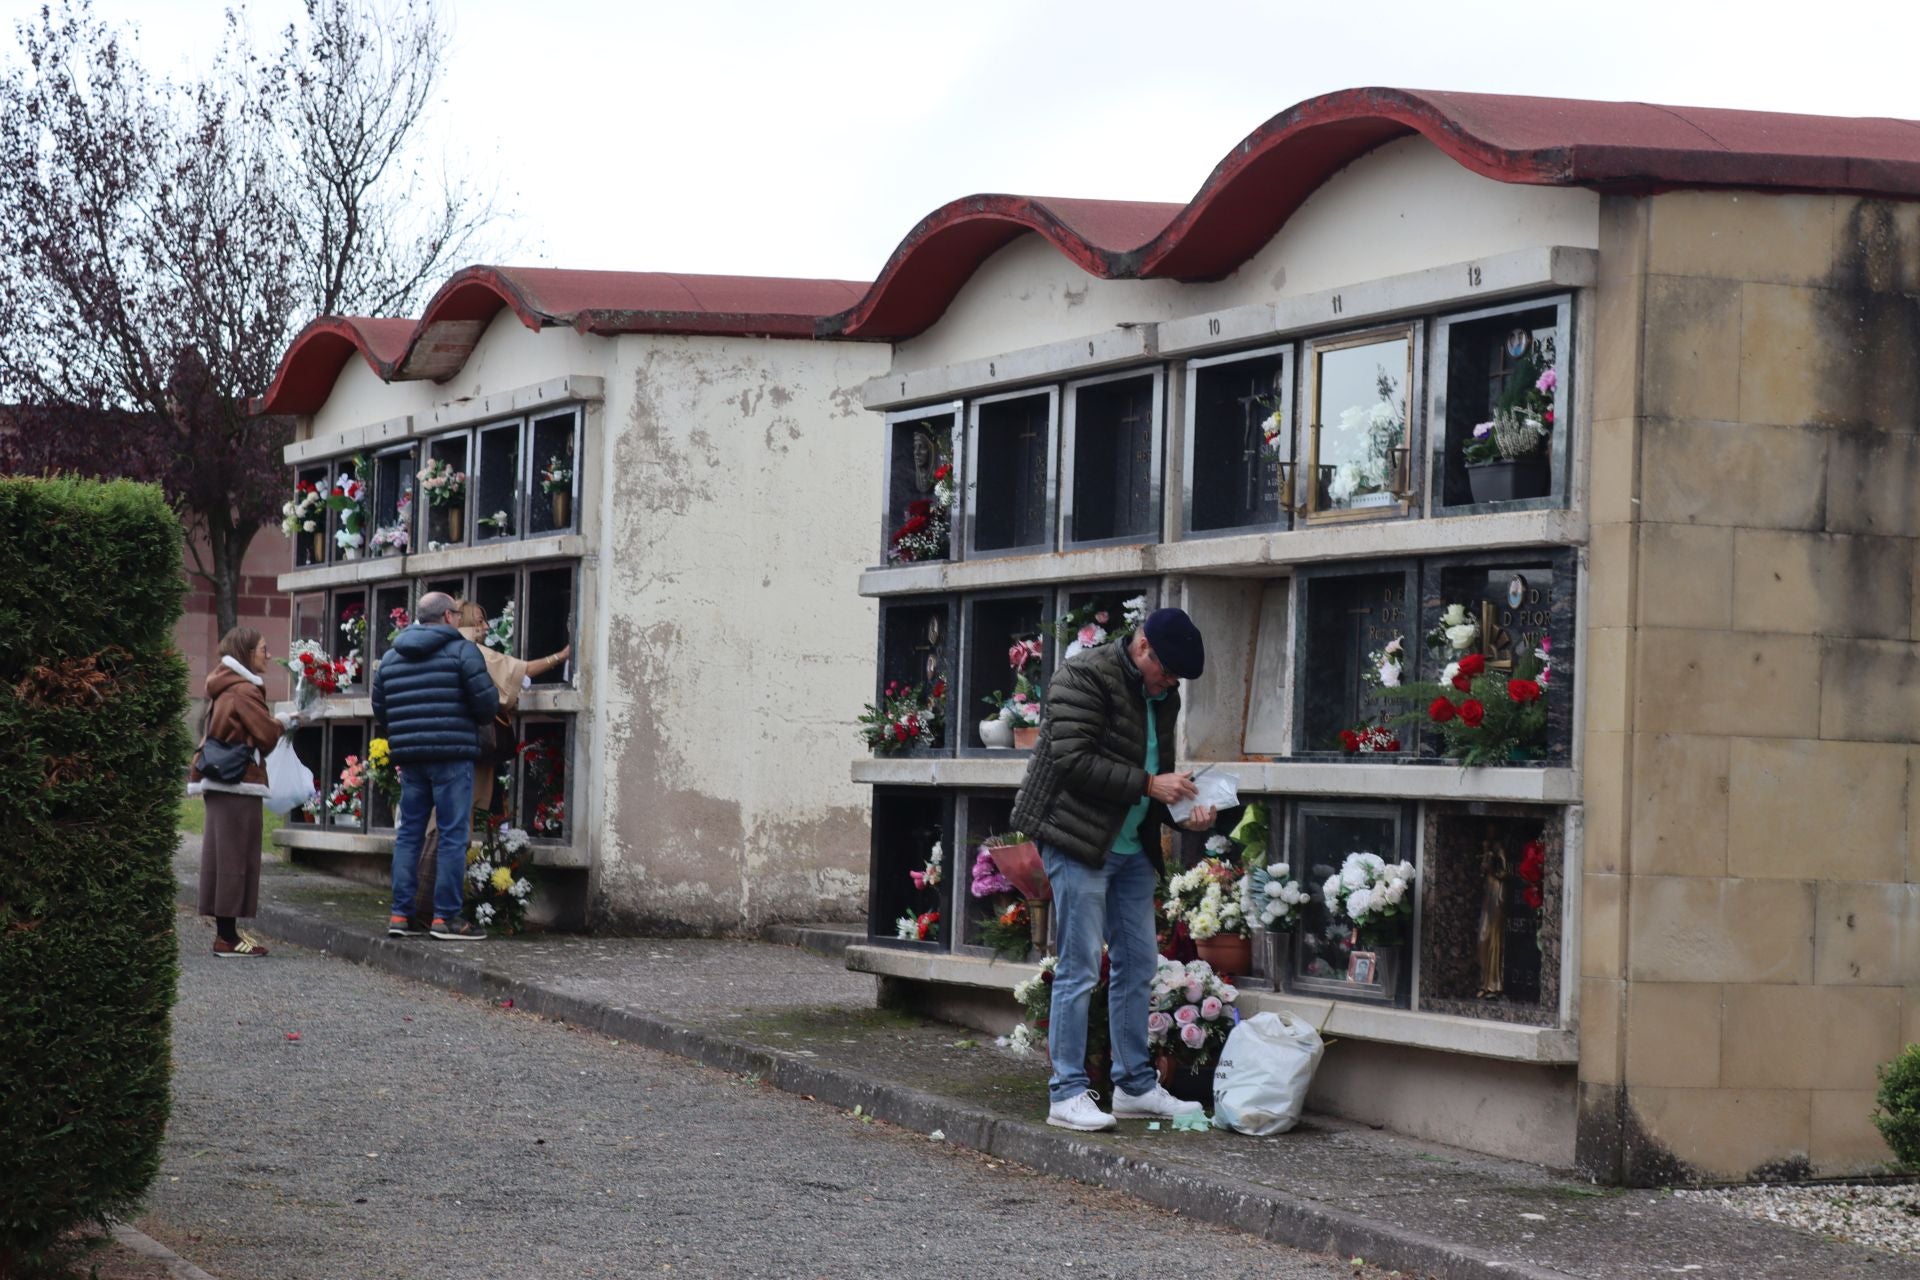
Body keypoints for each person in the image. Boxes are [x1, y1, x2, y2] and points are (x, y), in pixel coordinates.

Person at [1010, 607, 1218, 1131]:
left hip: (1131, 845)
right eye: (1167, 672)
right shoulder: (1081, 675)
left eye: (1176, 680)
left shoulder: (1162, 694)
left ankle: (1134, 1087)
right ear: (1143, 647)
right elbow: (1072, 761)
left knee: (1138, 966)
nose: (1170, 684)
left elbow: (1149, 765)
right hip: (1076, 839)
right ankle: (1067, 1094)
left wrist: (1186, 804)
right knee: (1079, 968)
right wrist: (1152, 786)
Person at [407, 600, 571, 930]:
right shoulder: (470, 651)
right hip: (458, 751)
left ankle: (408, 910)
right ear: (457, 619)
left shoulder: (419, 651)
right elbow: (516, 673)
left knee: (421, 831)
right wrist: (563, 655)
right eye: (480, 620)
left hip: (418, 750)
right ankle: (437, 912)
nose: (486, 627)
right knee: (451, 832)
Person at [373, 591, 499, 941]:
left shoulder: (391, 658)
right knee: (452, 835)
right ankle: (445, 918)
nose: (459, 618)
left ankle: (401, 915)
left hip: (410, 759)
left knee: (409, 835)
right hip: (452, 755)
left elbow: (380, 710)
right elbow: (487, 705)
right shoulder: (462, 652)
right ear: (447, 617)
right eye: (457, 613)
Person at [188, 627, 299, 958]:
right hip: (237, 783)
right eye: (263, 649)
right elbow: (265, 735)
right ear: (245, 653)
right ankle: (227, 938)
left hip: (225, 783)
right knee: (235, 857)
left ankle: (228, 933)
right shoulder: (244, 691)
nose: (268, 655)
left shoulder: (226, 686)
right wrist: (283, 721)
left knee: (225, 857)